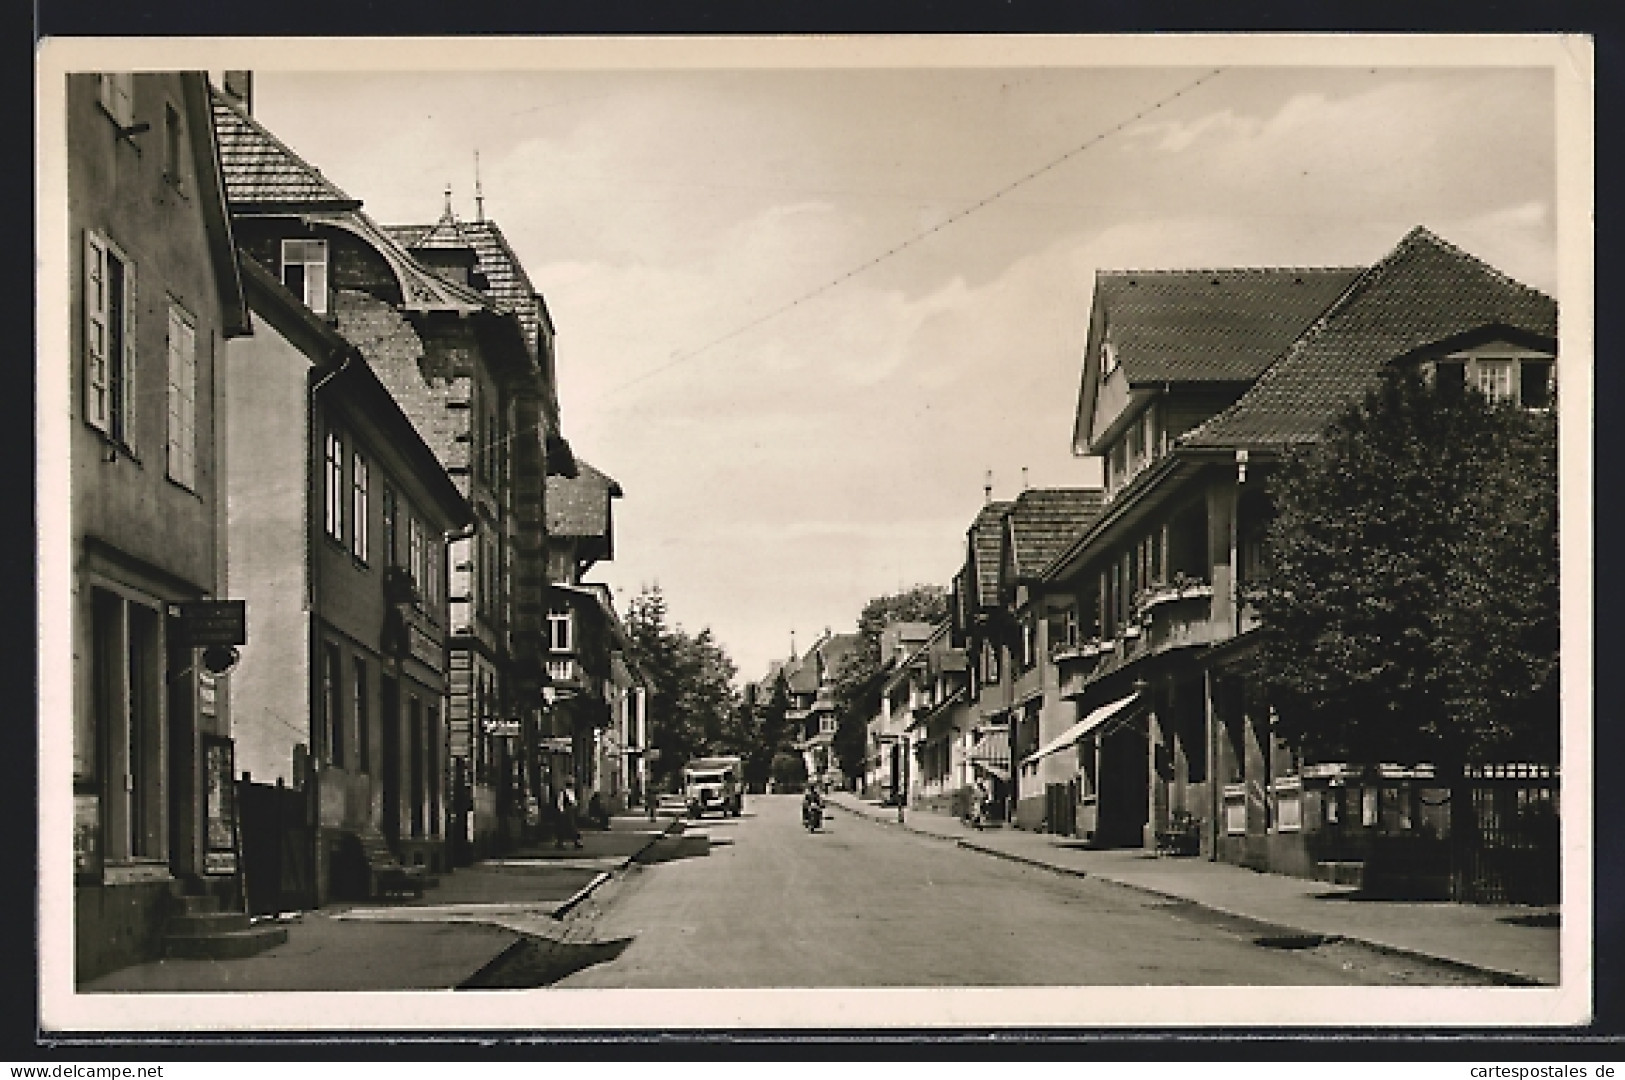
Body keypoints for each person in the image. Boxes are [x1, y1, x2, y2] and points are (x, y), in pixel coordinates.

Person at [555, 782, 584, 850]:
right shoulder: (563, 793)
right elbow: (560, 802)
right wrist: (562, 811)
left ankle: (576, 842)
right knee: (564, 827)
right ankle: (560, 843)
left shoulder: (572, 793)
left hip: (571, 812)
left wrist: (575, 805)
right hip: (565, 812)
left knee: (572, 827)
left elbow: (573, 802)